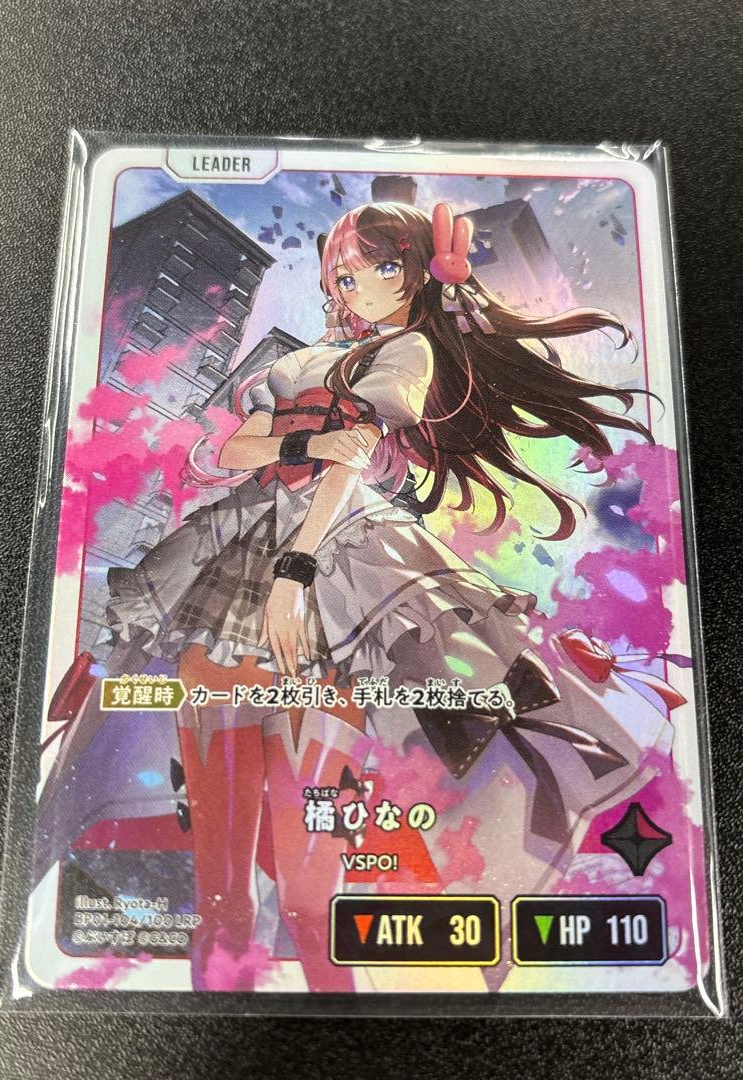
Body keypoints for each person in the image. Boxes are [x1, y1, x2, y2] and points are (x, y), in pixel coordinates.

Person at [47, 201, 672, 992]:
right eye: (345, 275)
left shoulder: (409, 352)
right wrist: (306, 443)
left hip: (337, 566)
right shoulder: (305, 363)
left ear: (417, 272)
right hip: (237, 558)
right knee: (222, 898)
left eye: (382, 267)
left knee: (311, 902)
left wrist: (296, 569)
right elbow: (238, 450)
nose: (362, 285)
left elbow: (349, 466)